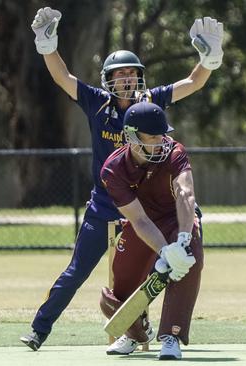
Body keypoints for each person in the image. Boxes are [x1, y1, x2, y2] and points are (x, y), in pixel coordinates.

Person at [20, 6, 224, 351]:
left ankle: (145, 332)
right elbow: (63, 77)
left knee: (156, 265)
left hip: (144, 205)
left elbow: (193, 83)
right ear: (108, 79)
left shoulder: (149, 102)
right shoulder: (97, 103)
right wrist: (47, 47)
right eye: (120, 74)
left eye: (133, 73)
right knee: (77, 272)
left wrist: (210, 58)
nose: (127, 79)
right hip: (105, 202)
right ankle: (40, 329)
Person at [99, 101, 202, 360]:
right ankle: (135, 332)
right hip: (144, 222)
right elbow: (140, 220)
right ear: (132, 137)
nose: (161, 140)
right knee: (120, 281)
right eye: (153, 136)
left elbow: (185, 194)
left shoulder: (174, 152)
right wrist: (165, 252)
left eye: (162, 134)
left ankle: (171, 336)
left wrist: (182, 240)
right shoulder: (113, 170)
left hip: (179, 218)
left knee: (190, 262)